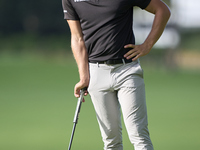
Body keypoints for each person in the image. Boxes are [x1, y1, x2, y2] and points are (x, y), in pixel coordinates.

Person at [62, 0, 170, 149]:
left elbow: (162, 10)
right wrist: (84, 75)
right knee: (111, 142)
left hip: (127, 71)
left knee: (139, 136)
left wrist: (147, 45)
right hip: (96, 73)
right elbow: (77, 38)